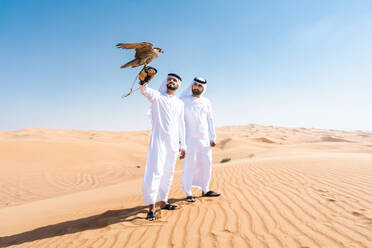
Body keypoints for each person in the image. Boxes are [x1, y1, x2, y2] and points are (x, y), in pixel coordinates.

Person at [139, 73, 186, 221]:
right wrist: (143, 81)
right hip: (158, 141)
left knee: (168, 172)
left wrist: (183, 144)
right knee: (155, 172)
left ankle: (164, 202)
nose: (171, 81)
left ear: (178, 85)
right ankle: (151, 208)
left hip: (173, 142)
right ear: (166, 83)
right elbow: (144, 90)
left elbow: (181, 124)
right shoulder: (157, 97)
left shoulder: (180, 103)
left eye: (174, 80)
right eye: (169, 79)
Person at [180, 77, 220, 203]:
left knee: (206, 164)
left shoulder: (206, 102)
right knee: (190, 165)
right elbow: (178, 122)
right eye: (195, 85)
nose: (197, 87)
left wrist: (213, 136)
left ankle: (205, 189)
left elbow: (210, 119)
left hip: (205, 139)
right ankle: (188, 192)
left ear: (203, 88)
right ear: (192, 85)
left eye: (200, 86)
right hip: (189, 139)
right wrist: (180, 142)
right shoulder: (182, 101)